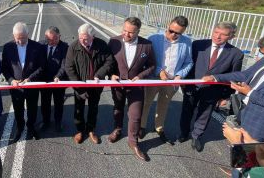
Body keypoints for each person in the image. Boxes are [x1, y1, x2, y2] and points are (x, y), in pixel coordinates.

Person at [179, 21, 244, 152]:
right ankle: (183, 132)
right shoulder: (198, 45)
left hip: (213, 91)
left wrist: (226, 96)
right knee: (187, 110)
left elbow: (233, 76)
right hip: (192, 86)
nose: (217, 36)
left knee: (205, 114)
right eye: (216, 32)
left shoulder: (236, 53)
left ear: (231, 36)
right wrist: (183, 83)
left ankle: (196, 136)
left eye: (223, 35)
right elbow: (189, 64)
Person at [203, 33, 264, 141]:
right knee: (240, 147)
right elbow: (245, 75)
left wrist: (250, 93)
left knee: (253, 154)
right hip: (244, 112)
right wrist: (216, 77)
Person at [107, 17, 155, 161]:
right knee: (118, 108)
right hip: (118, 84)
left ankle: (133, 142)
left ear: (138, 32)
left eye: (131, 33)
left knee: (135, 115)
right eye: (124, 30)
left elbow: (152, 65)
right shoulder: (113, 42)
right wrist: (111, 74)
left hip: (136, 85)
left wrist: (141, 76)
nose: (126, 35)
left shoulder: (147, 45)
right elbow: (107, 62)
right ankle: (117, 129)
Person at [140, 16, 193, 144]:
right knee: (146, 103)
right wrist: (159, 70)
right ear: (168, 25)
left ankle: (159, 128)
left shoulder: (186, 42)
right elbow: (147, 59)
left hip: (172, 81)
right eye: (171, 31)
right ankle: (141, 126)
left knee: (163, 105)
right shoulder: (153, 38)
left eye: (178, 33)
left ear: (184, 31)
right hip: (154, 79)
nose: (173, 35)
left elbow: (189, 62)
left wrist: (180, 75)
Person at [65, 23, 115, 145]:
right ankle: (80, 130)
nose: (82, 41)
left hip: (96, 85)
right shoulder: (73, 47)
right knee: (79, 108)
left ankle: (91, 130)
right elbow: (69, 67)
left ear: (93, 36)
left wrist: (99, 74)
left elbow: (109, 61)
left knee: (93, 108)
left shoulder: (101, 45)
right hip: (80, 86)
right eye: (80, 38)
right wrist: (78, 87)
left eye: (86, 38)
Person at [1, 22, 46, 142]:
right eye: (17, 39)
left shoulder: (38, 47)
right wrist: (11, 80)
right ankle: (20, 127)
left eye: (23, 38)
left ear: (28, 34)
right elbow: (4, 67)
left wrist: (30, 79)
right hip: (16, 87)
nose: (20, 41)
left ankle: (31, 127)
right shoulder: (7, 47)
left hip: (31, 85)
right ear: (13, 36)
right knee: (18, 109)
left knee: (32, 109)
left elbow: (41, 66)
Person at [40, 26, 69, 132]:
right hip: (44, 81)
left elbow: (64, 65)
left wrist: (58, 76)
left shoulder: (65, 47)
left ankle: (58, 122)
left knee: (58, 103)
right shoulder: (41, 45)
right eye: (49, 40)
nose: (51, 42)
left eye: (54, 39)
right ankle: (46, 121)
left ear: (59, 36)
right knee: (45, 103)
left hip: (59, 80)